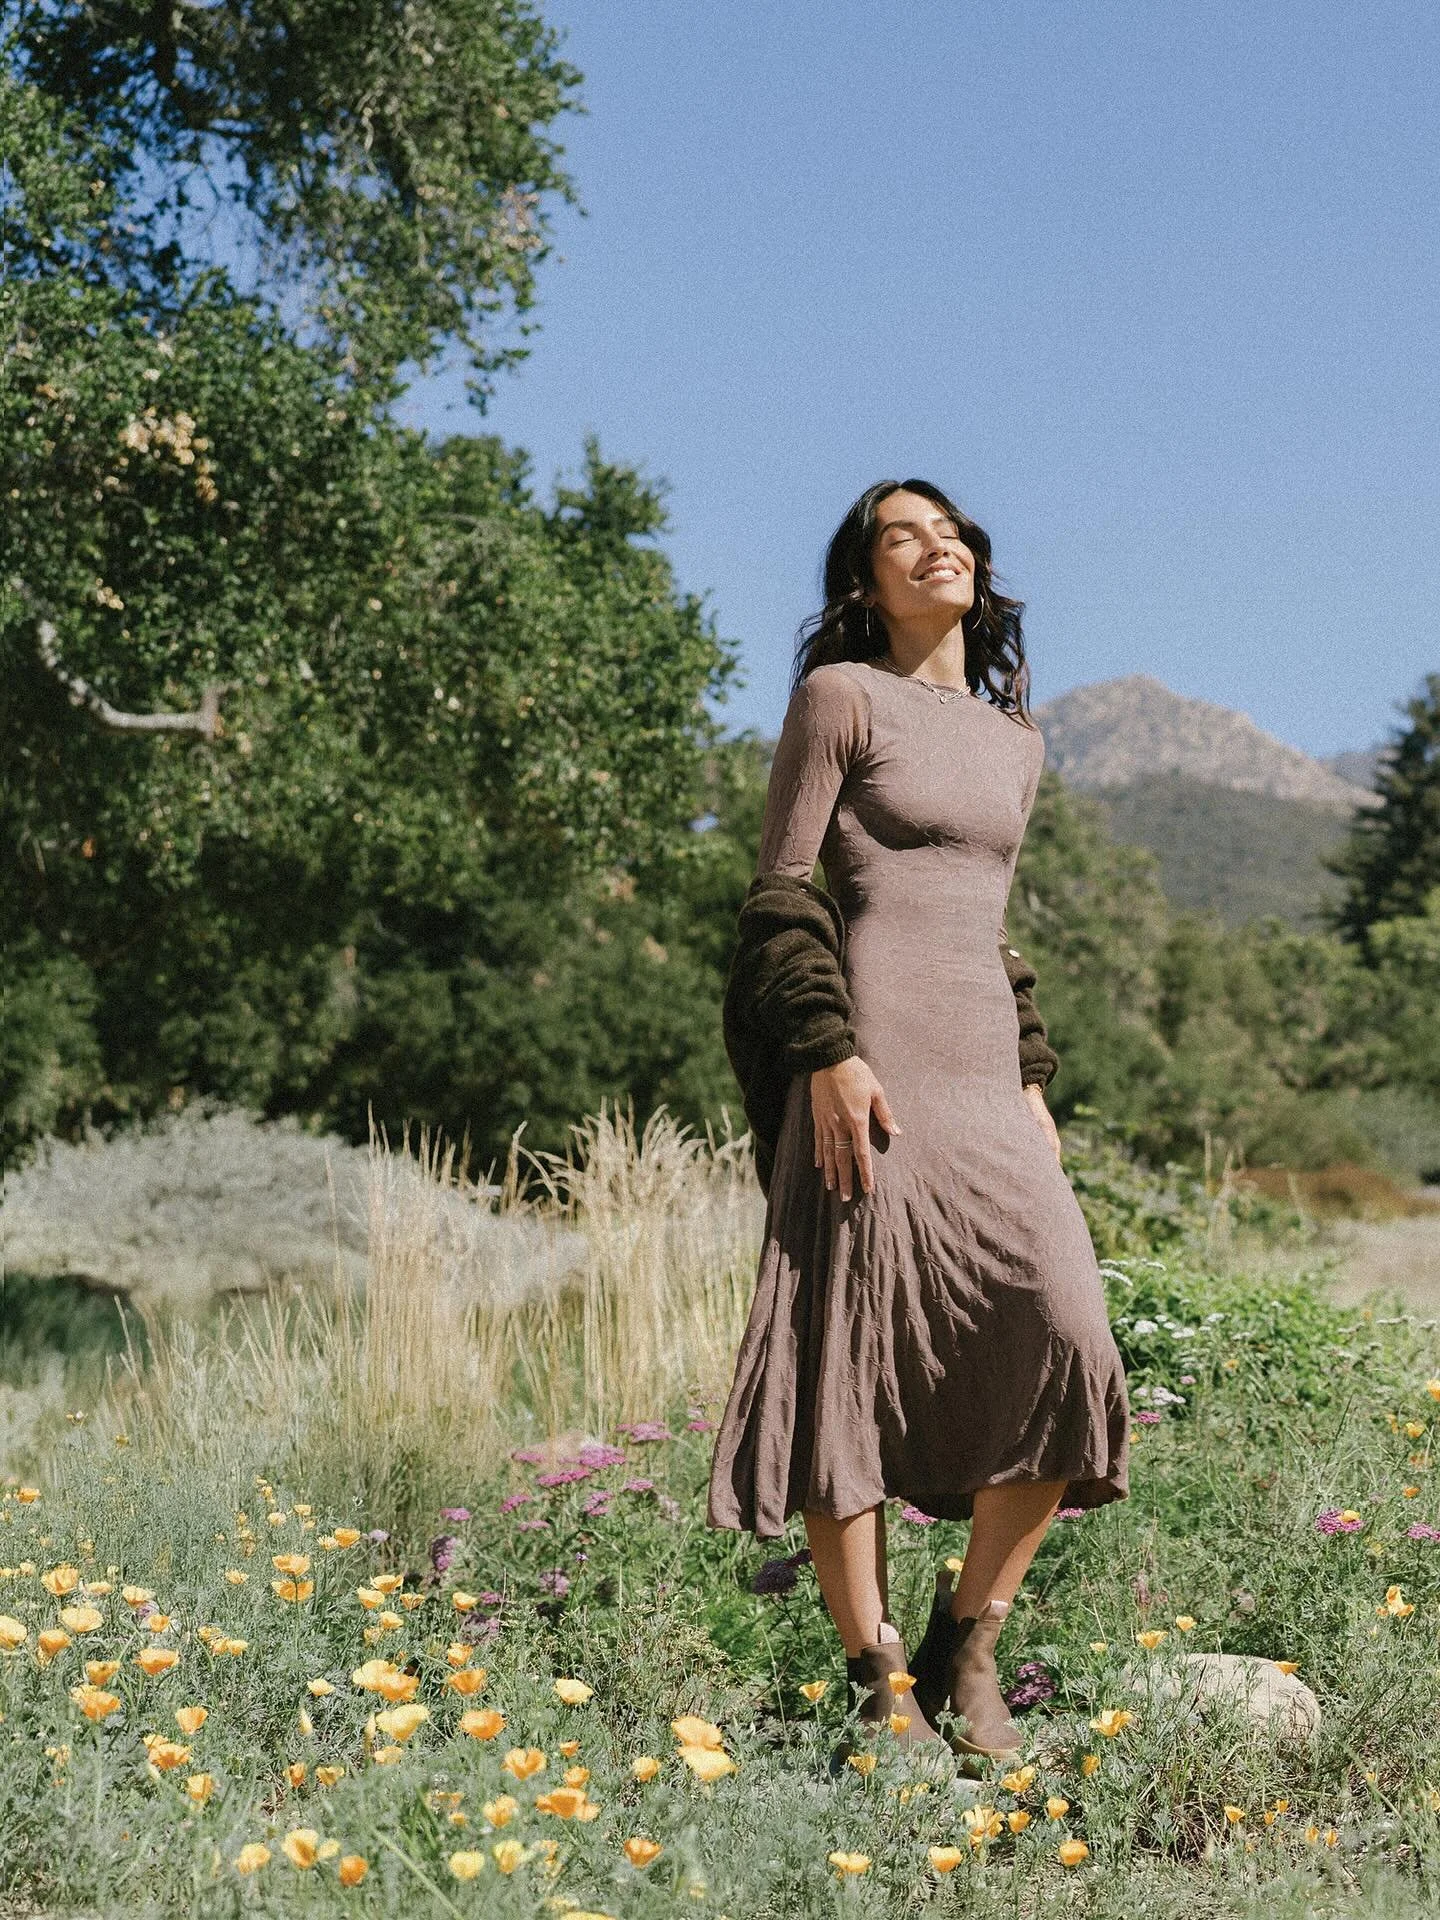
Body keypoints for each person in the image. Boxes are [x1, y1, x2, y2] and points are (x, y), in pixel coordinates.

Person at [705, 479, 1131, 1770]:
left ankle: (970, 1643)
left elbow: (986, 931)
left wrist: (1034, 1081)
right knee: (850, 1364)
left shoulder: (1017, 740)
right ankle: (877, 1673)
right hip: (871, 1070)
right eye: (903, 535)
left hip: (985, 1077)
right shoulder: (843, 699)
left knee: (1068, 1334)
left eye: (949, 529)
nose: (934, 544)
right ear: (864, 580)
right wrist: (826, 1057)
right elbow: (781, 892)